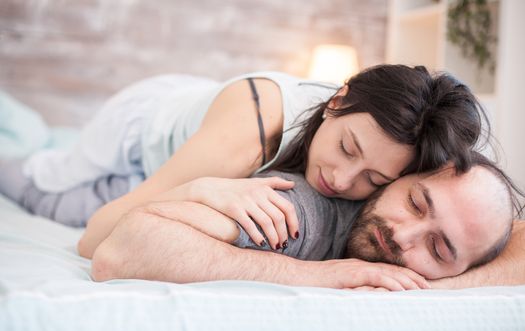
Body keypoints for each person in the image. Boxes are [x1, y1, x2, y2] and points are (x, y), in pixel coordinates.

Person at [0, 65, 485, 256]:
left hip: (191, 131)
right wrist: (204, 188)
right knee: (43, 185)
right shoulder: (249, 134)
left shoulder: (386, 153)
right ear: (337, 100)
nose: (340, 179)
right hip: (140, 129)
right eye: (346, 148)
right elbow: (93, 241)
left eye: (374, 178)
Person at [88, 154, 524, 291]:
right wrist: (318, 274)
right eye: (414, 202)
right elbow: (120, 249)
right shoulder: (305, 216)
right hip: (135, 157)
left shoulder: (474, 229)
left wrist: (435, 289)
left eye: (439, 249)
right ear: (402, 175)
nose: (401, 235)